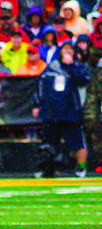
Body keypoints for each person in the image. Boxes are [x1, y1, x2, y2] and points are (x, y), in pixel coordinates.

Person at [34, 41, 91, 177]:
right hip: (51, 112)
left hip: (71, 112)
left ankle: (81, 168)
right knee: (48, 143)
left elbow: (82, 80)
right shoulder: (51, 68)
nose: (67, 51)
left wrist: (70, 65)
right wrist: (37, 105)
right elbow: (40, 86)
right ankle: (46, 169)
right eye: (65, 49)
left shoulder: (80, 67)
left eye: (70, 49)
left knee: (77, 143)